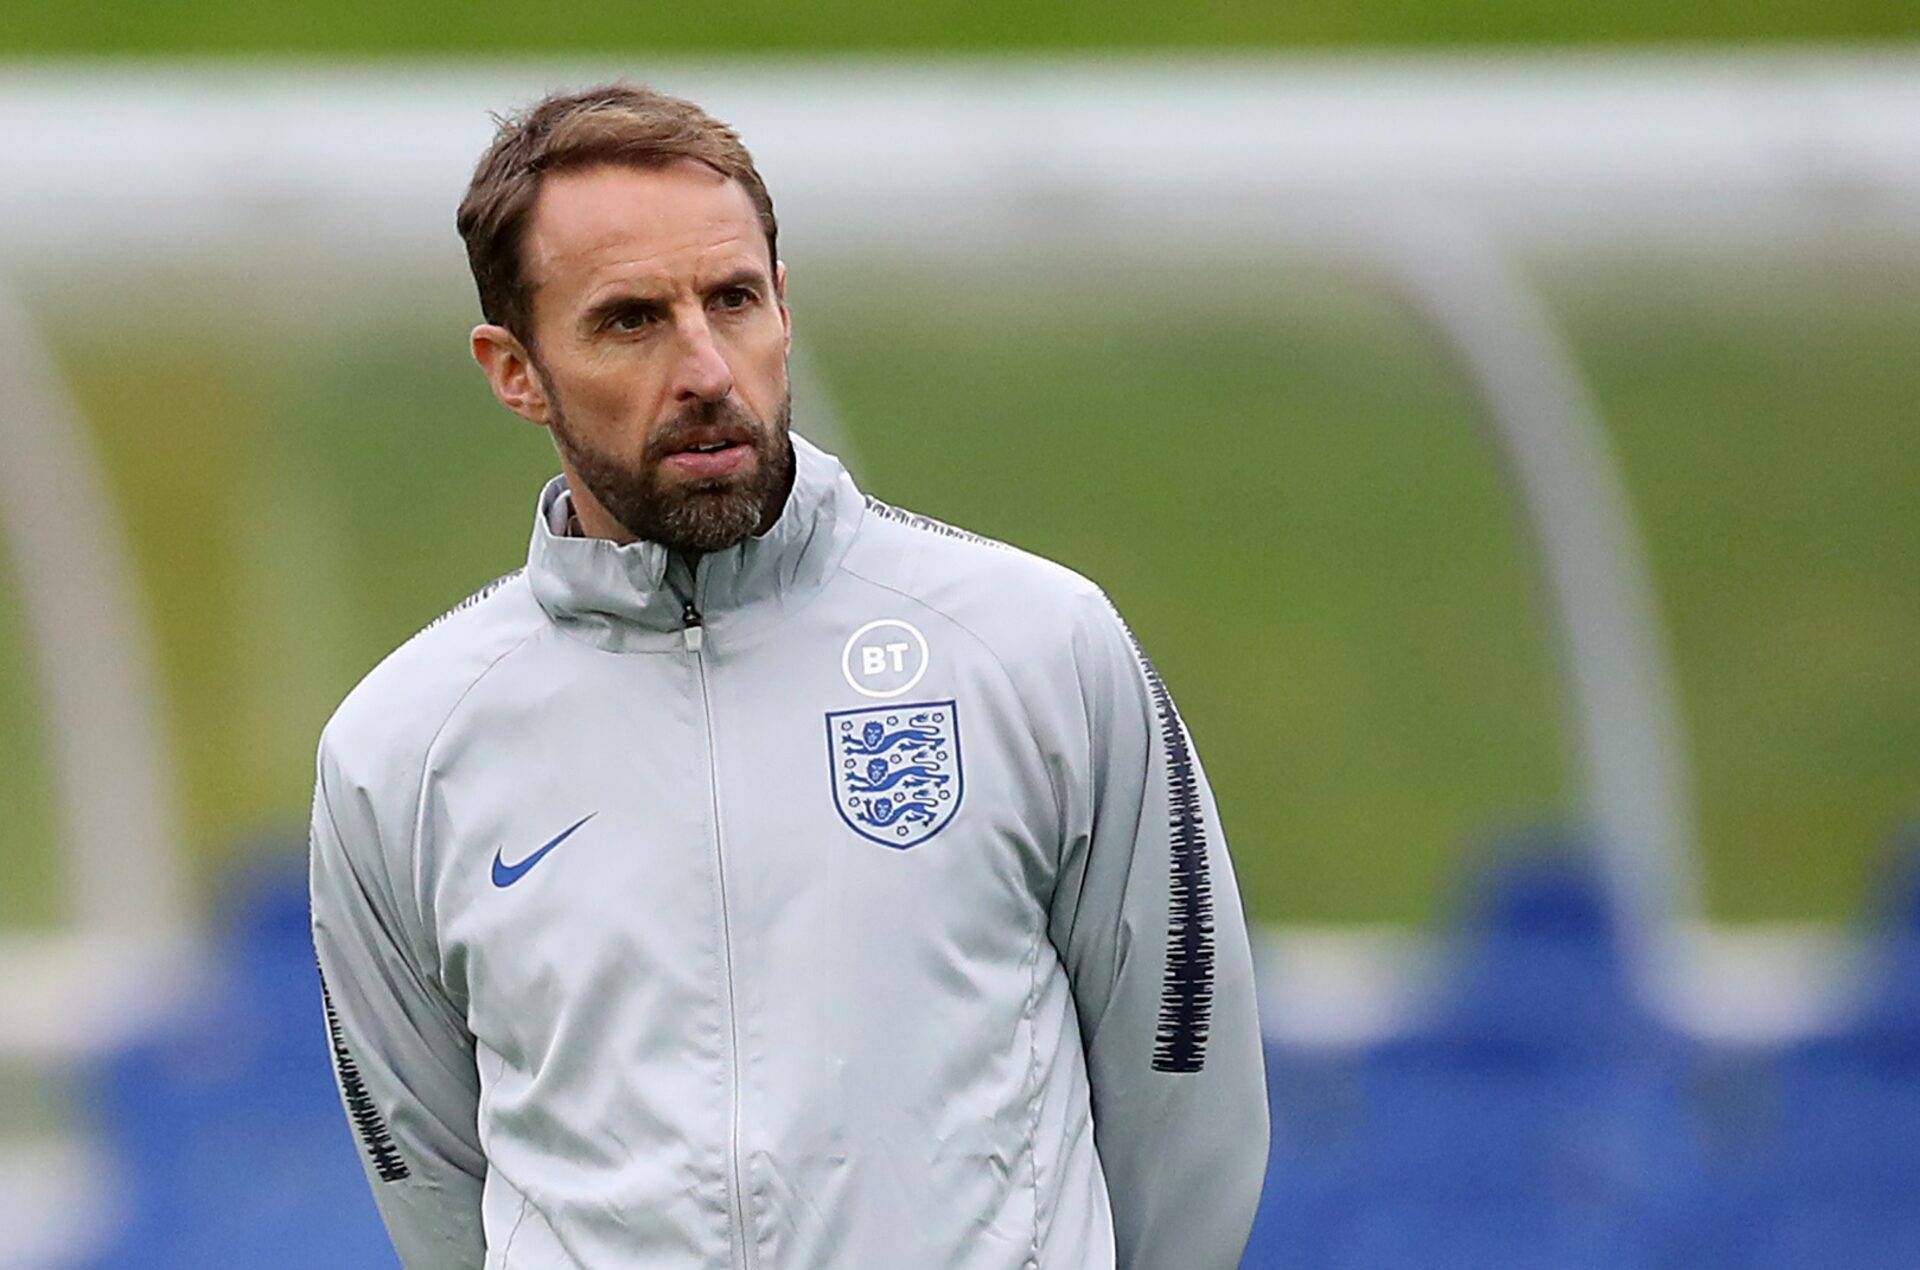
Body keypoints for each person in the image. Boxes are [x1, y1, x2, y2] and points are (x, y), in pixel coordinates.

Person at [309, 81, 1269, 1269]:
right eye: (630, 321)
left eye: (732, 299)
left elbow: (1187, 1093)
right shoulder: (400, 748)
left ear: (783, 306)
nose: (707, 367)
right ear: (515, 369)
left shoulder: (1039, 647)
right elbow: (431, 1183)